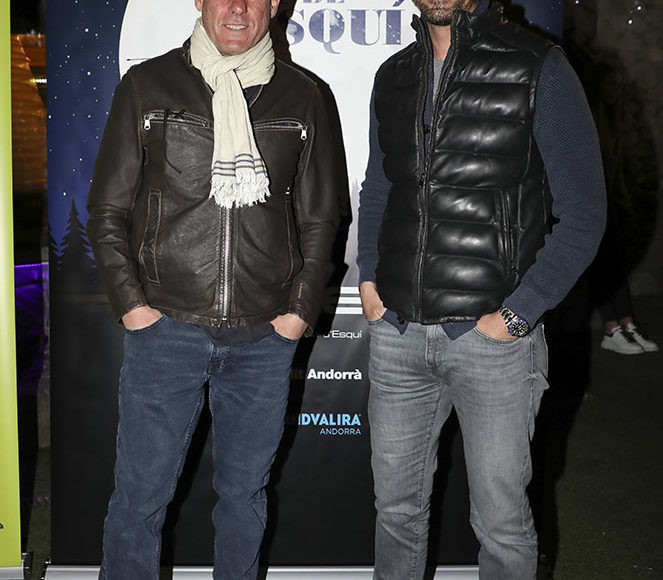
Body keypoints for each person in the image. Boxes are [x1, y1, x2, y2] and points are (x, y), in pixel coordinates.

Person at [86, 0, 339, 577]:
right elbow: (107, 210)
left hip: (263, 340)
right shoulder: (147, 86)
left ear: (275, 4)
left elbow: (321, 218)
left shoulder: (303, 97)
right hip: (165, 332)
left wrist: (297, 314)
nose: (237, 7)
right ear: (199, 1)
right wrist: (134, 308)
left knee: (244, 501)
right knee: (138, 502)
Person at [357, 1, 606, 578]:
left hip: (492, 345)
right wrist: (369, 278)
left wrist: (517, 315)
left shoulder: (539, 66)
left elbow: (585, 214)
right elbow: (379, 188)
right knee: (395, 514)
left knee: (501, 525)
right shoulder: (393, 75)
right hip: (398, 337)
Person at [588, 63, 659, 354]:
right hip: (594, 202)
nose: (614, 91)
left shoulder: (611, 116)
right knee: (605, 263)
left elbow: (618, 167)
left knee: (616, 263)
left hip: (612, 200)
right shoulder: (592, 116)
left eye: (617, 86)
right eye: (610, 84)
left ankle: (626, 323)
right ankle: (612, 328)